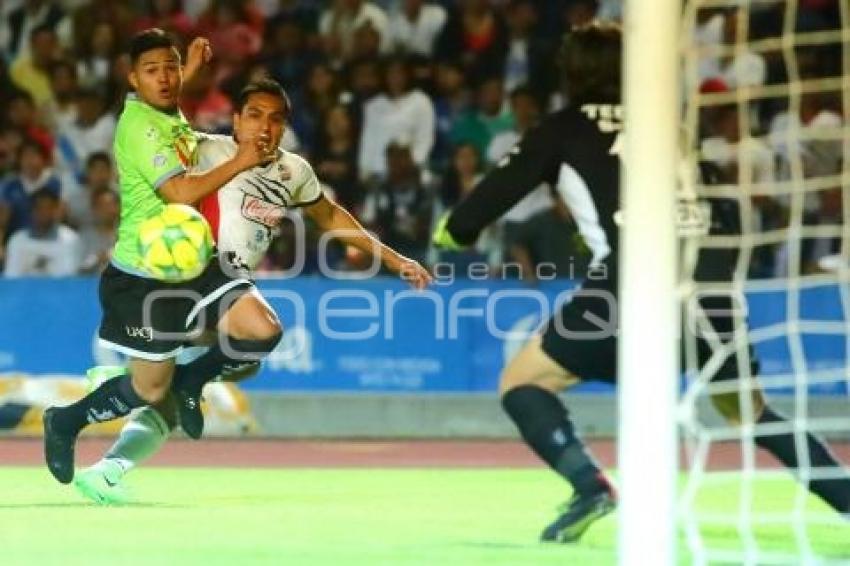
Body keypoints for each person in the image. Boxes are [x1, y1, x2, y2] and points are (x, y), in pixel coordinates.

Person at [432, 22, 850, 543]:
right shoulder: (672, 126)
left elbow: (487, 202)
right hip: (711, 289)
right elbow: (723, 212)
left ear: (571, 74)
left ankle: (589, 485)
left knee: (523, 380)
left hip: (631, 288)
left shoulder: (564, 127)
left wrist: (450, 233)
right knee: (752, 414)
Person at [73, 77, 432, 504]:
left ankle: (108, 468)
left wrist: (395, 260)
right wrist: (177, 75)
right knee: (252, 340)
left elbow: (332, 217)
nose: (265, 127)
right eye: (255, 116)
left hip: (232, 286)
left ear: (285, 128)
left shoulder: (294, 171)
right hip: (194, 275)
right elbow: (156, 127)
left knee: (231, 371)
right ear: (236, 120)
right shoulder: (206, 149)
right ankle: (149, 374)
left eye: (275, 119)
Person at [41, 28, 277, 486]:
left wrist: (185, 66)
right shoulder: (140, 128)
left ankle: (192, 381)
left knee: (260, 331)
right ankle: (65, 421)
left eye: (171, 68)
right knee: (149, 389)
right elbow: (179, 191)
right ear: (133, 79)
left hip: (197, 256)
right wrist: (242, 160)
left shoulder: (163, 105)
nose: (166, 78)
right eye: (153, 71)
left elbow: (171, 88)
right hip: (146, 273)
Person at [3, 188, 80, 277]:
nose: (44, 213)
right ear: (31, 211)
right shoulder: (17, 241)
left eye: (49, 208)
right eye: (39, 208)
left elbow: (72, 279)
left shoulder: (70, 240)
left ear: (56, 210)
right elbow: (11, 277)